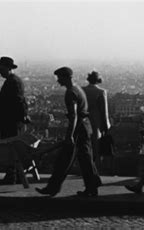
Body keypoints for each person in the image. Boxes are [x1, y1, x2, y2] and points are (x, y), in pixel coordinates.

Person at [36, 67, 101, 197]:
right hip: (85, 127)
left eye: (59, 78)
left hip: (78, 129)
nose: (58, 81)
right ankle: (92, 186)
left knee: (65, 159)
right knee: (85, 159)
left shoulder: (71, 92)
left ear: (66, 77)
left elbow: (74, 116)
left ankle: (53, 187)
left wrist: (70, 135)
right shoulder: (78, 89)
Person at [0, 56, 29, 184]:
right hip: (12, 121)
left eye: (1, 68)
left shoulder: (13, 81)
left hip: (11, 122)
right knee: (12, 150)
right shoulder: (13, 80)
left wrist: (22, 117)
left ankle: (12, 176)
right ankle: (15, 175)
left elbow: (19, 101)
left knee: (10, 150)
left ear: (8, 68)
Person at [82, 71, 111, 166]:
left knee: (85, 145)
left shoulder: (82, 90)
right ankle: (96, 167)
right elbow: (104, 111)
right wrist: (106, 127)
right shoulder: (101, 92)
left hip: (83, 120)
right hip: (96, 121)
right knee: (96, 145)